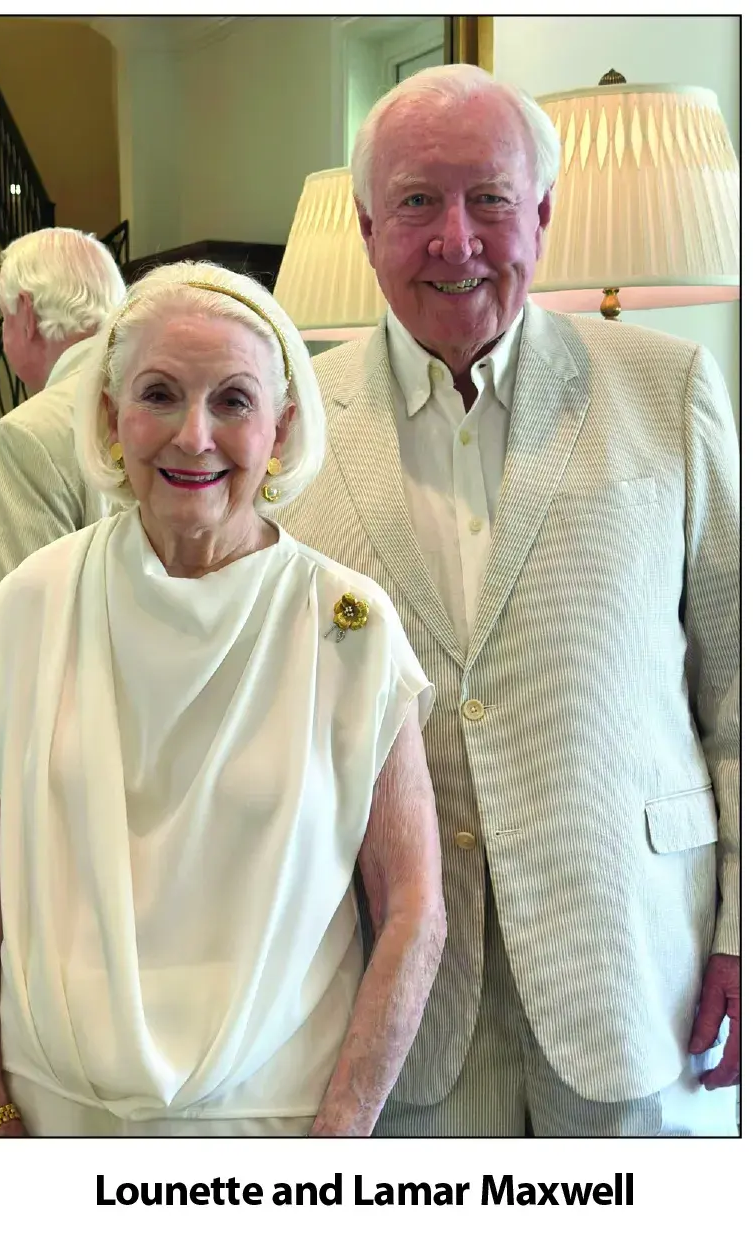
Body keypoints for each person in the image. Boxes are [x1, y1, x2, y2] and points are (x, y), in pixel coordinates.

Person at [278, 64, 740, 1136]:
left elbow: (738, 686)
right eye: (416, 202)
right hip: (391, 994)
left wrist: (741, 933)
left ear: (542, 213)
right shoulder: (288, 424)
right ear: (366, 227)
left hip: (632, 966)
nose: (457, 240)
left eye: (489, 198)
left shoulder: (668, 389)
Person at [0, 261, 445, 1138]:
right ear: (109, 416)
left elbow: (413, 907)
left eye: (232, 401)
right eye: (159, 395)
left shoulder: (349, 626)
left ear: (281, 427)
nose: (194, 436)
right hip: (42, 1118)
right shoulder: (35, 600)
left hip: (270, 1128)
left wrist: (338, 1140)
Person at [0, 227, 127, 619]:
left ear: (26, 315)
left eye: (4, 317)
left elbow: (19, 624)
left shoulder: (26, 433)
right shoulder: (165, 398)